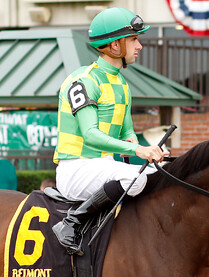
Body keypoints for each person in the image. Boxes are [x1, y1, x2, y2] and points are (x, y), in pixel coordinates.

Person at [52, 7, 166, 254]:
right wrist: (139, 150)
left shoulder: (122, 84)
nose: (140, 46)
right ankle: (71, 222)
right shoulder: (83, 81)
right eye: (134, 39)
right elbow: (91, 134)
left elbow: (128, 133)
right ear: (115, 46)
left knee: (163, 174)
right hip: (75, 169)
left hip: (101, 167)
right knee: (133, 179)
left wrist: (148, 153)